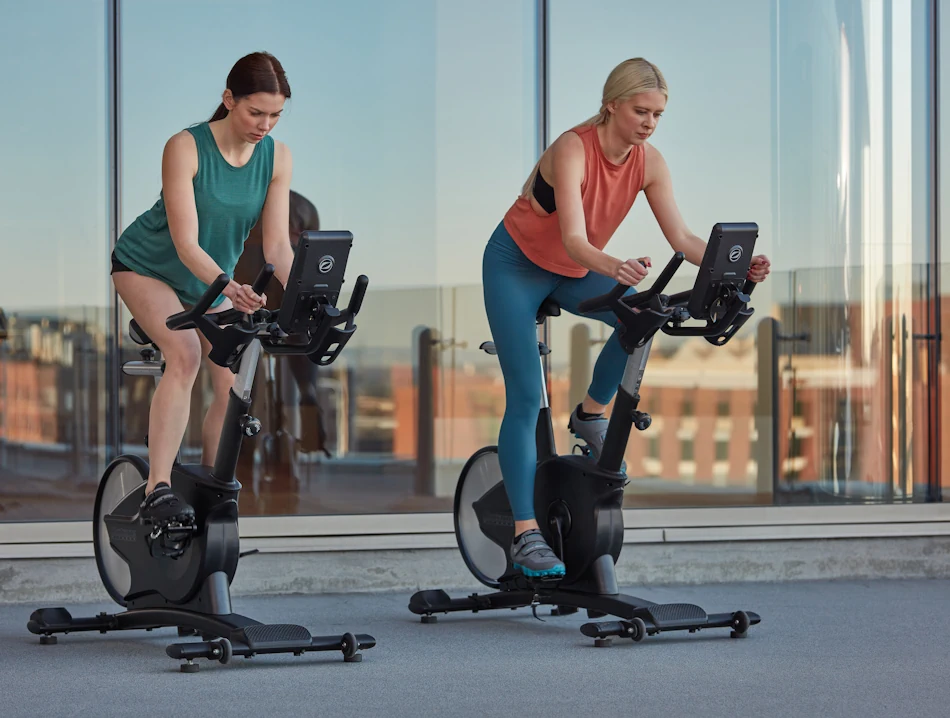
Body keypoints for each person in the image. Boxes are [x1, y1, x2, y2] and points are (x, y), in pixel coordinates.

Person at [483, 57, 771, 578]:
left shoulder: (649, 162)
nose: (649, 123)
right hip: (516, 268)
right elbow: (575, 239)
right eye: (641, 111)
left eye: (658, 114)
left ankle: (590, 413)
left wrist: (734, 264)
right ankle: (525, 534)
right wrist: (614, 265)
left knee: (641, 317)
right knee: (525, 397)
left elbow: (682, 239)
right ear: (612, 105)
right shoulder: (573, 149)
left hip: (575, 270)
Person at [110, 51, 296, 528]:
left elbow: (277, 245)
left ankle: (216, 488)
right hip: (147, 267)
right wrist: (229, 288)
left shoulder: (276, 157)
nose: (265, 125)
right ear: (229, 99)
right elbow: (185, 243)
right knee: (186, 353)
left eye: (276, 115)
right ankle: (157, 490)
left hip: (211, 281)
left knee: (231, 377)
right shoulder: (185, 147)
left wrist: (307, 295)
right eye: (256, 112)